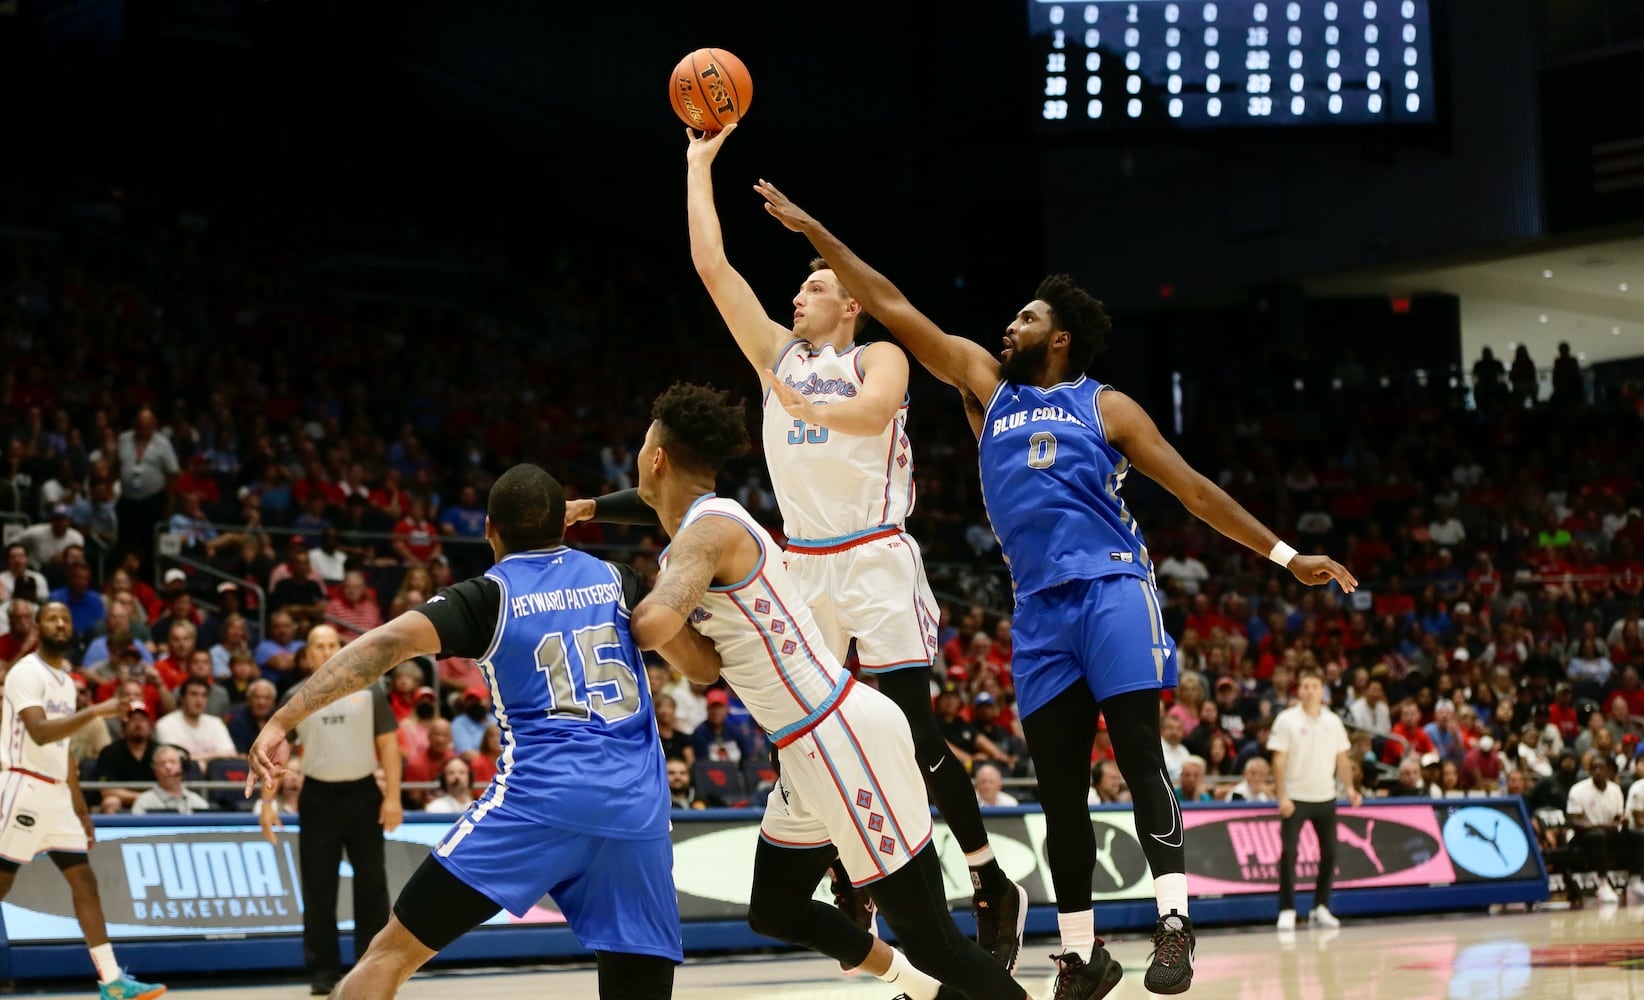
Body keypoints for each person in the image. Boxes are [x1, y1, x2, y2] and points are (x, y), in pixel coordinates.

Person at [757, 178, 1358, 998]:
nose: (1010, 325)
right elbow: (893, 305)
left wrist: (1289, 556)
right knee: (1062, 796)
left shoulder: (1104, 406)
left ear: (1062, 337)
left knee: (1140, 754)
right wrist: (819, 235)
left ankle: (1173, 926)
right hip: (1038, 611)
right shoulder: (985, 387)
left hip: (1113, 588)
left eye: (1028, 318)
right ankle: (1082, 955)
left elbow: (1194, 492)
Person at [572, 120, 1026, 971]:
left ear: (847, 303)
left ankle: (988, 878)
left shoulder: (874, 357)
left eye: (814, 289)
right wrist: (698, 165)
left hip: (878, 553)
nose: (797, 300)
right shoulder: (777, 355)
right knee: (814, 726)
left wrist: (808, 406)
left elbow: (873, 410)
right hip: (805, 561)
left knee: (911, 728)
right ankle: (853, 881)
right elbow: (714, 268)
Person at [623, 383, 1030, 1000]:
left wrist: (611, 587)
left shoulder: (703, 537)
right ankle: (919, 989)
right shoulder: (708, 527)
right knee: (776, 909)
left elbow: (652, 624)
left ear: (656, 459)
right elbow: (704, 667)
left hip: (838, 736)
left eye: (643, 443)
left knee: (933, 936)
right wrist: (586, 514)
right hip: (806, 745)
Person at [245, 464, 680, 1000]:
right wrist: (592, 507)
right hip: (635, 811)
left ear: (489, 528)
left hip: (539, 805)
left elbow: (380, 648)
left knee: (390, 956)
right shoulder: (619, 579)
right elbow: (676, 503)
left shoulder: (488, 597)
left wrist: (282, 719)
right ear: (563, 525)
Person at [0, 602, 165, 1000]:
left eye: (66, 618)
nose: (60, 623)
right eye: (52, 618)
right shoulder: (26, 671)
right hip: (23, 786)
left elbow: (64, 750)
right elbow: (39, 732)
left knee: (85, 883)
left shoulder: (64, 680)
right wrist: (99, 710)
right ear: (38, 627)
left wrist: (80, 810)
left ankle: (111, 981)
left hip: (56, 792)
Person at [260, 624, 403, 995]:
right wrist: (266, 803)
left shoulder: (371, 690)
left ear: (342, 648)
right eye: (317, 647)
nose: (325, 651)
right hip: (318, 799)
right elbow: (273, 751)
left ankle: (368, 969)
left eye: (331, 645)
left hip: (364, 796)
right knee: (318, 889)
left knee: (372, 887)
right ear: (307, 655)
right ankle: (322, 971)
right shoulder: (295, 697)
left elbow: (388, 746)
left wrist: (393, 798)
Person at [1269, 669, 1361, 931]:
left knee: (1330, 852)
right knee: (1289, 852)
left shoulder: (1333, 722)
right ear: (1299, 690)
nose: (1309, 690)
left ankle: (1320, 907)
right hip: (1295, 798)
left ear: (1323, 691)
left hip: (1326, 797)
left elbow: (1343, 759)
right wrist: (1282, 795)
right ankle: (1287, 908)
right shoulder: (1286, 720)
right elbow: (1278, 761)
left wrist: (1351, 789)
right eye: (1305, 686)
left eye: (1314, 686)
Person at [153, 678, 238, 763]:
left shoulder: (216, 722)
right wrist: (217, 755)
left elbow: (231, 754)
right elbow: (174, 760)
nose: (199, 700)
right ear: (182, 698)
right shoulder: (165, 724)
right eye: (194, 694)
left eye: (204, 695)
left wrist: (193, 759)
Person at [131, 746, 212, 815]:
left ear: (182, 767)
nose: (168, 767)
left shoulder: (197, 802)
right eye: (162, 763)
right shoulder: (144, 802)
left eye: (172, 762)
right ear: (155, 770)